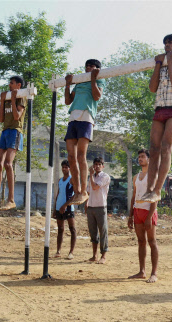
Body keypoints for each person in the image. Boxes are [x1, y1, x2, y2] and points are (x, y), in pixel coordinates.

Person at [139, 34, 172, 203]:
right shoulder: (161, 63)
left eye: (170, 43)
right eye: (165, 43)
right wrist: (158, 64)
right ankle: (149, 190)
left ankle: (157, 189)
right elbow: (152, 88)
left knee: (165, 146)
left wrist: (170, 61)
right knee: (153, 149)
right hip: (160, 107)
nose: (167, 46)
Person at [64, 59, 106, 206]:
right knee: (71, 157)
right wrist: (68, 84)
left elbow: (97, 96)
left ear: (97, 69)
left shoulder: (99, 80)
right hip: (73, 117)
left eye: (92, 66)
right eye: (87, 66)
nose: (89, 68)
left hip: (86, 117)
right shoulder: (80, 81)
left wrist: (93, 78)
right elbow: (68, 101)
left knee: (81, 155)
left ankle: (83, 191)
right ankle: (77, 191)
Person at [0, 75, 27, 211]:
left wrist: (13, 98)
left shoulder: (21, 97)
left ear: (18, 85)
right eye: (9, 83)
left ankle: (11, 200)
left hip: (15, 131)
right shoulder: (7, 98)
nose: (9, 85)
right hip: (5, 131)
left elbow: (17, 116)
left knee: (8, 164)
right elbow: (0, 119)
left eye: (12, 83)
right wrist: (2, 101)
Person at [128, 149, 159, 283]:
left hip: (148, 211)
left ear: (149, 159)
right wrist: (130, 215)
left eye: (142, 157)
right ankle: (142, 271)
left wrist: (149, 217)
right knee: (141, 242)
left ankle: (154, 273)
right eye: (139, 157)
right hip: (137, 210)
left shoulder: (153, 176)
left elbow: (155, 197)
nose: (140, 159)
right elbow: (134, 196)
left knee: (152, 241)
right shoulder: (136, 177)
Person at [85, 157, 111, 264]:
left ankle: (103, 255)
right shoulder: (91, 177)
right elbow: (89, 191)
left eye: (99, 164)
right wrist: (86, 203)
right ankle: (94, 255)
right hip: (91, 206)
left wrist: (91, 175)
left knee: (102, 231)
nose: (97, 166)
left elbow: (95, 187)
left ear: (102, 166)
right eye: (95, 164)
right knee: (93, 231)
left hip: (101, 206)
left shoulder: (105, 176)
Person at [52, 160, 76, 259]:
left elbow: (74, 196)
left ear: (70, 168)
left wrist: (65, 205)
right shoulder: (60, 180)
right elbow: (58, 194)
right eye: (63, 167)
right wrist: (55, 208)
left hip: (69, 207)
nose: (64, 169)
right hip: (59, 208)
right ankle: (58, 251)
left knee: (72, 229)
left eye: (66, 167)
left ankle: (71, 252)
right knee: (60, 229)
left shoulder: (72, 179)